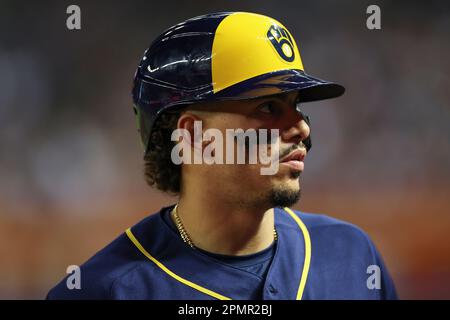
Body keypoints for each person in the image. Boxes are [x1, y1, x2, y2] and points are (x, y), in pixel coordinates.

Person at [47, 11, 397, 300]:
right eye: (269, 107)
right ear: (193, 135)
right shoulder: (103, 291)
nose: (301, 128)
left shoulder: (351, 254)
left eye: (297, 107)